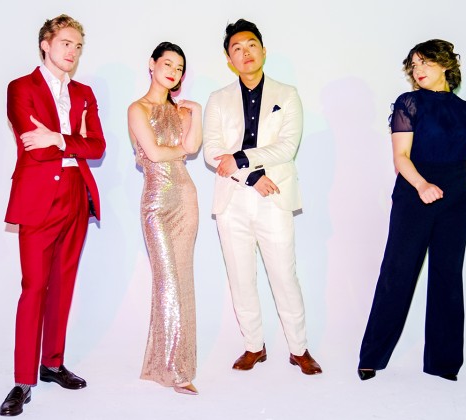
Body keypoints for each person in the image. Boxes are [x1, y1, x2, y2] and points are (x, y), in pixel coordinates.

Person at [357, 39, 466, 382]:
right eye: (413, 66)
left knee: (447, 278)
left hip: (457, 201)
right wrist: (422, 186)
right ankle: (372, 355)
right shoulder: (410, 103)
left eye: (424, 64)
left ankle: (443, 363)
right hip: (415, 195)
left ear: (445, 64)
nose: (418, 71)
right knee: (397, 274)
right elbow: (401, 158)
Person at [0, 14, 106, 416]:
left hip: (76, 197)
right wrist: (71, 141)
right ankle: (23, 380)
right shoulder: (20, 87)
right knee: (34, 287)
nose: (72, 52)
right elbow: (33, 146)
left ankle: (52, 363)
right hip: (38, 199)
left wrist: (59, 136)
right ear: (45, 43)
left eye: (78, 46)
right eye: (66, 43)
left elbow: (97, 146)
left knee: (62, 285)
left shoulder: (84, 93)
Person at [203, 19, 322, 375]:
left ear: (264, 50)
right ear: (229, 58)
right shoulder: (218, 99)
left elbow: (286, 147)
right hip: (233, 200)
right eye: (237, 49)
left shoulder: (287, 95)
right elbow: (212, 151)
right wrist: (251, 174)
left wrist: (240, 159)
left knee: (284, 275)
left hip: (275, 198)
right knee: (241, 277)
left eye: (251, 45)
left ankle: (298, 348)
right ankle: (254, 346)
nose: (246, 53)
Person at [127, 41, 203, 395]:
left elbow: (195, 147)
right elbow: (156, 153)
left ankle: (178, 365)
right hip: (157, 202)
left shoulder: (186, 111)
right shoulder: (137, 109)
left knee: (182, 281)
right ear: (152, 64)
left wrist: (198, 112)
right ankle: (171, 367)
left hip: (186, 198)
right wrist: (181, 150)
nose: (173, 71)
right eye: (168, 63)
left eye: (179, 68)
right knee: (166, 281)